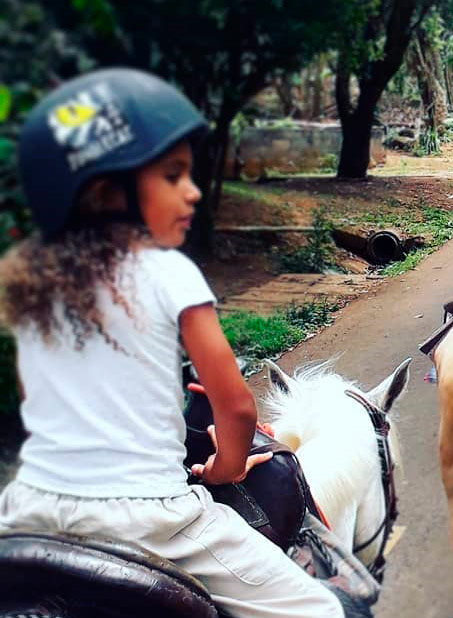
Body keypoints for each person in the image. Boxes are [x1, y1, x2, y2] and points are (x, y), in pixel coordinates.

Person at [0, 69, 371, 618]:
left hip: (28, 508)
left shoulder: (26, 277)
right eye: (172, 176)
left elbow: (41, 400)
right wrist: (226, 465)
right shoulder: (166, 272)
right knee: (326, 611)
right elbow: (238, 406)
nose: (193, 191)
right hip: (153, 519)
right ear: (108, 191)